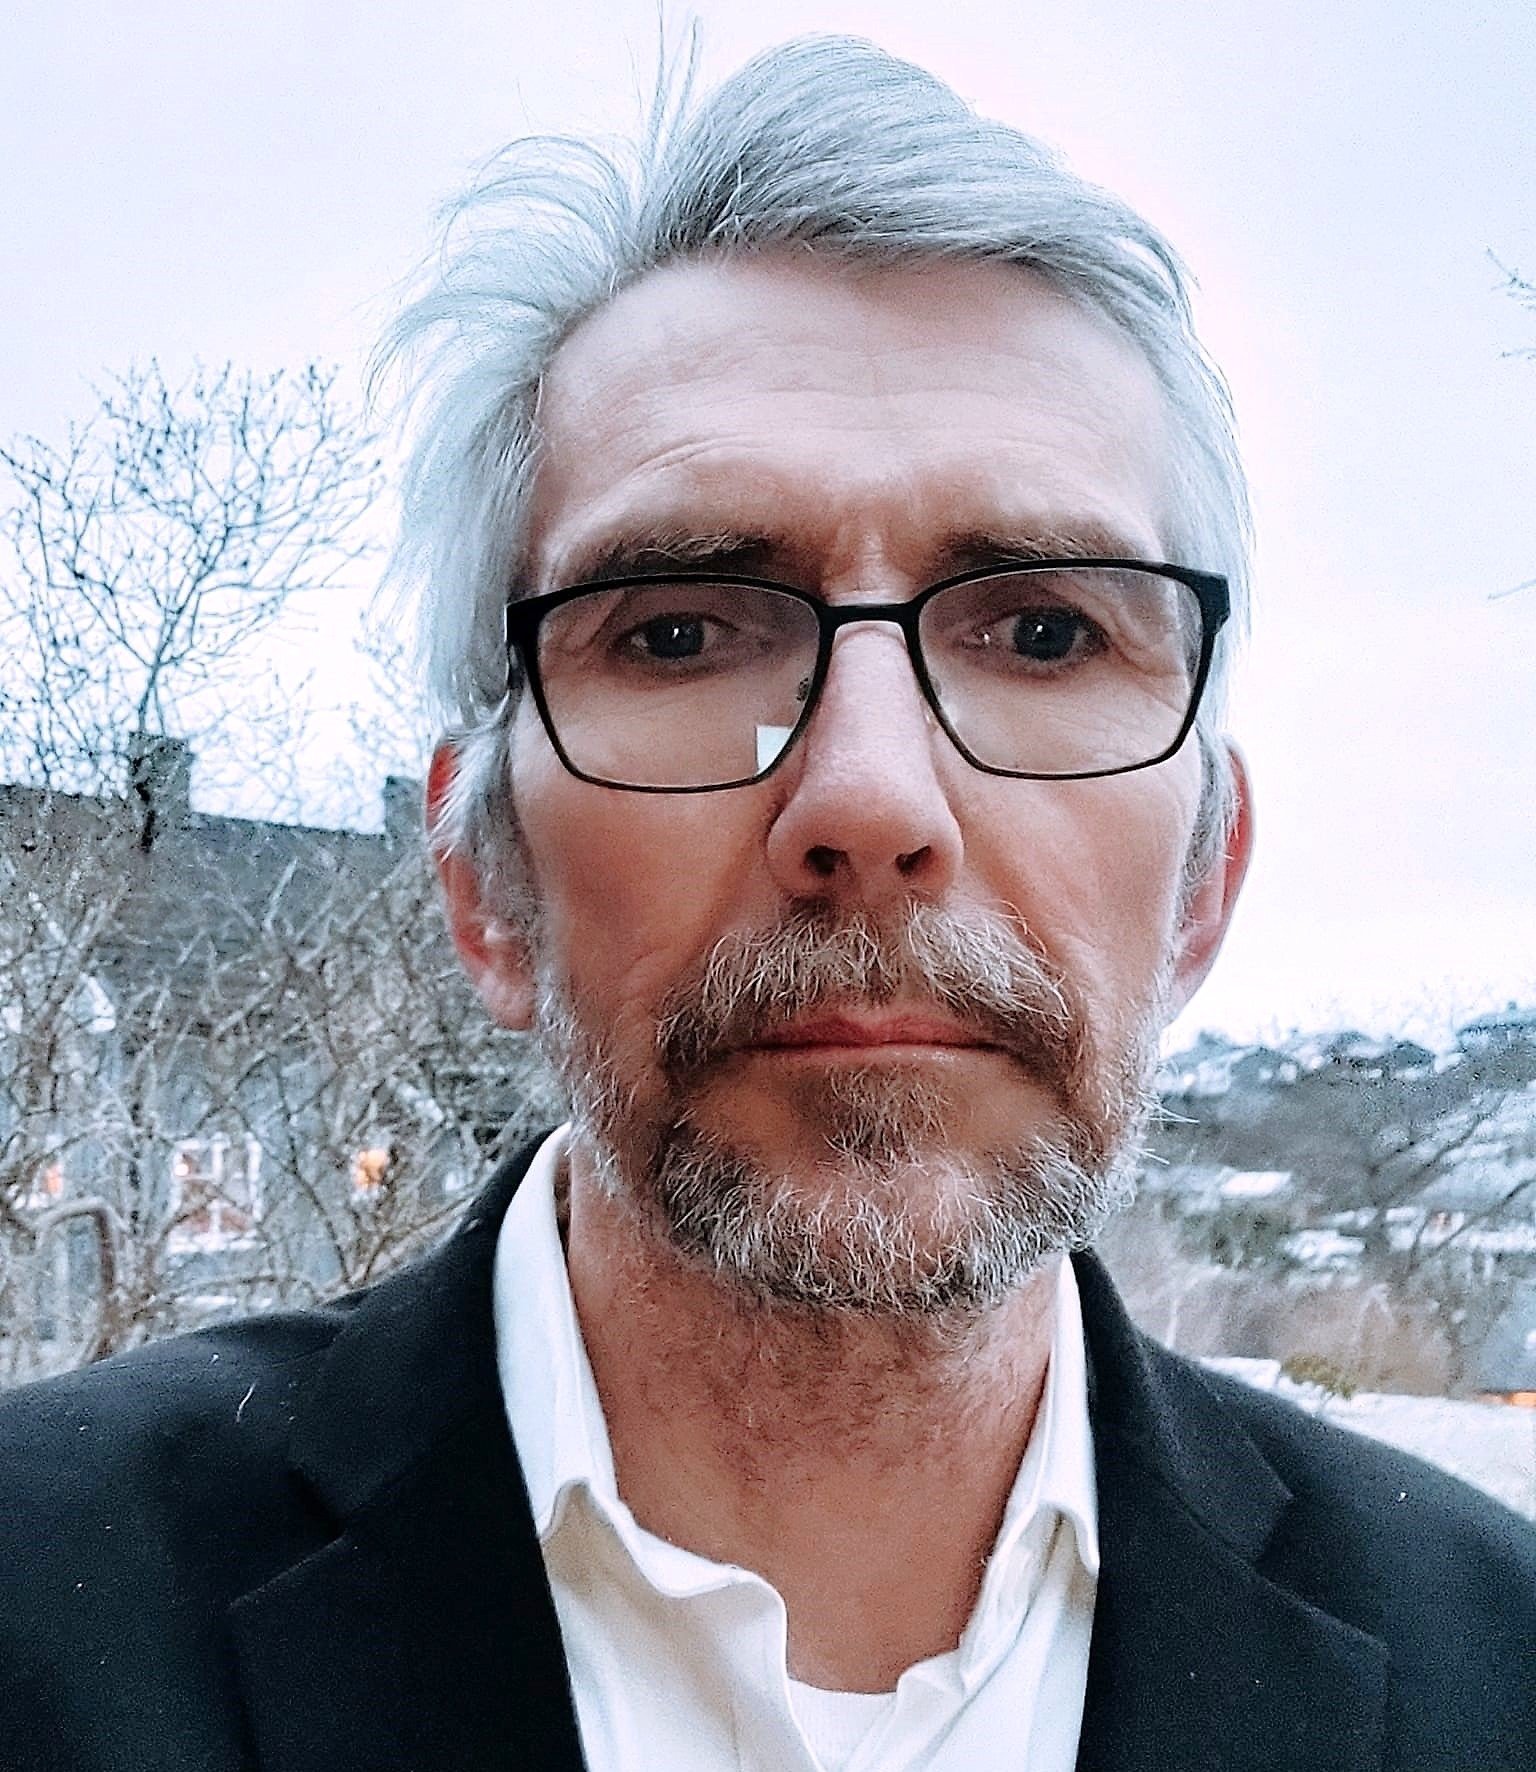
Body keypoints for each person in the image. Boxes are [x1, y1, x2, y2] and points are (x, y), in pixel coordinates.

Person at [1, 36, 1532, 1772]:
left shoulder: (1497, 1672)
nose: (870, 800)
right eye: (679, 633)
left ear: (1203, 884)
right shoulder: (36, 1613)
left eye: (1043, 632)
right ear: (483, 882)